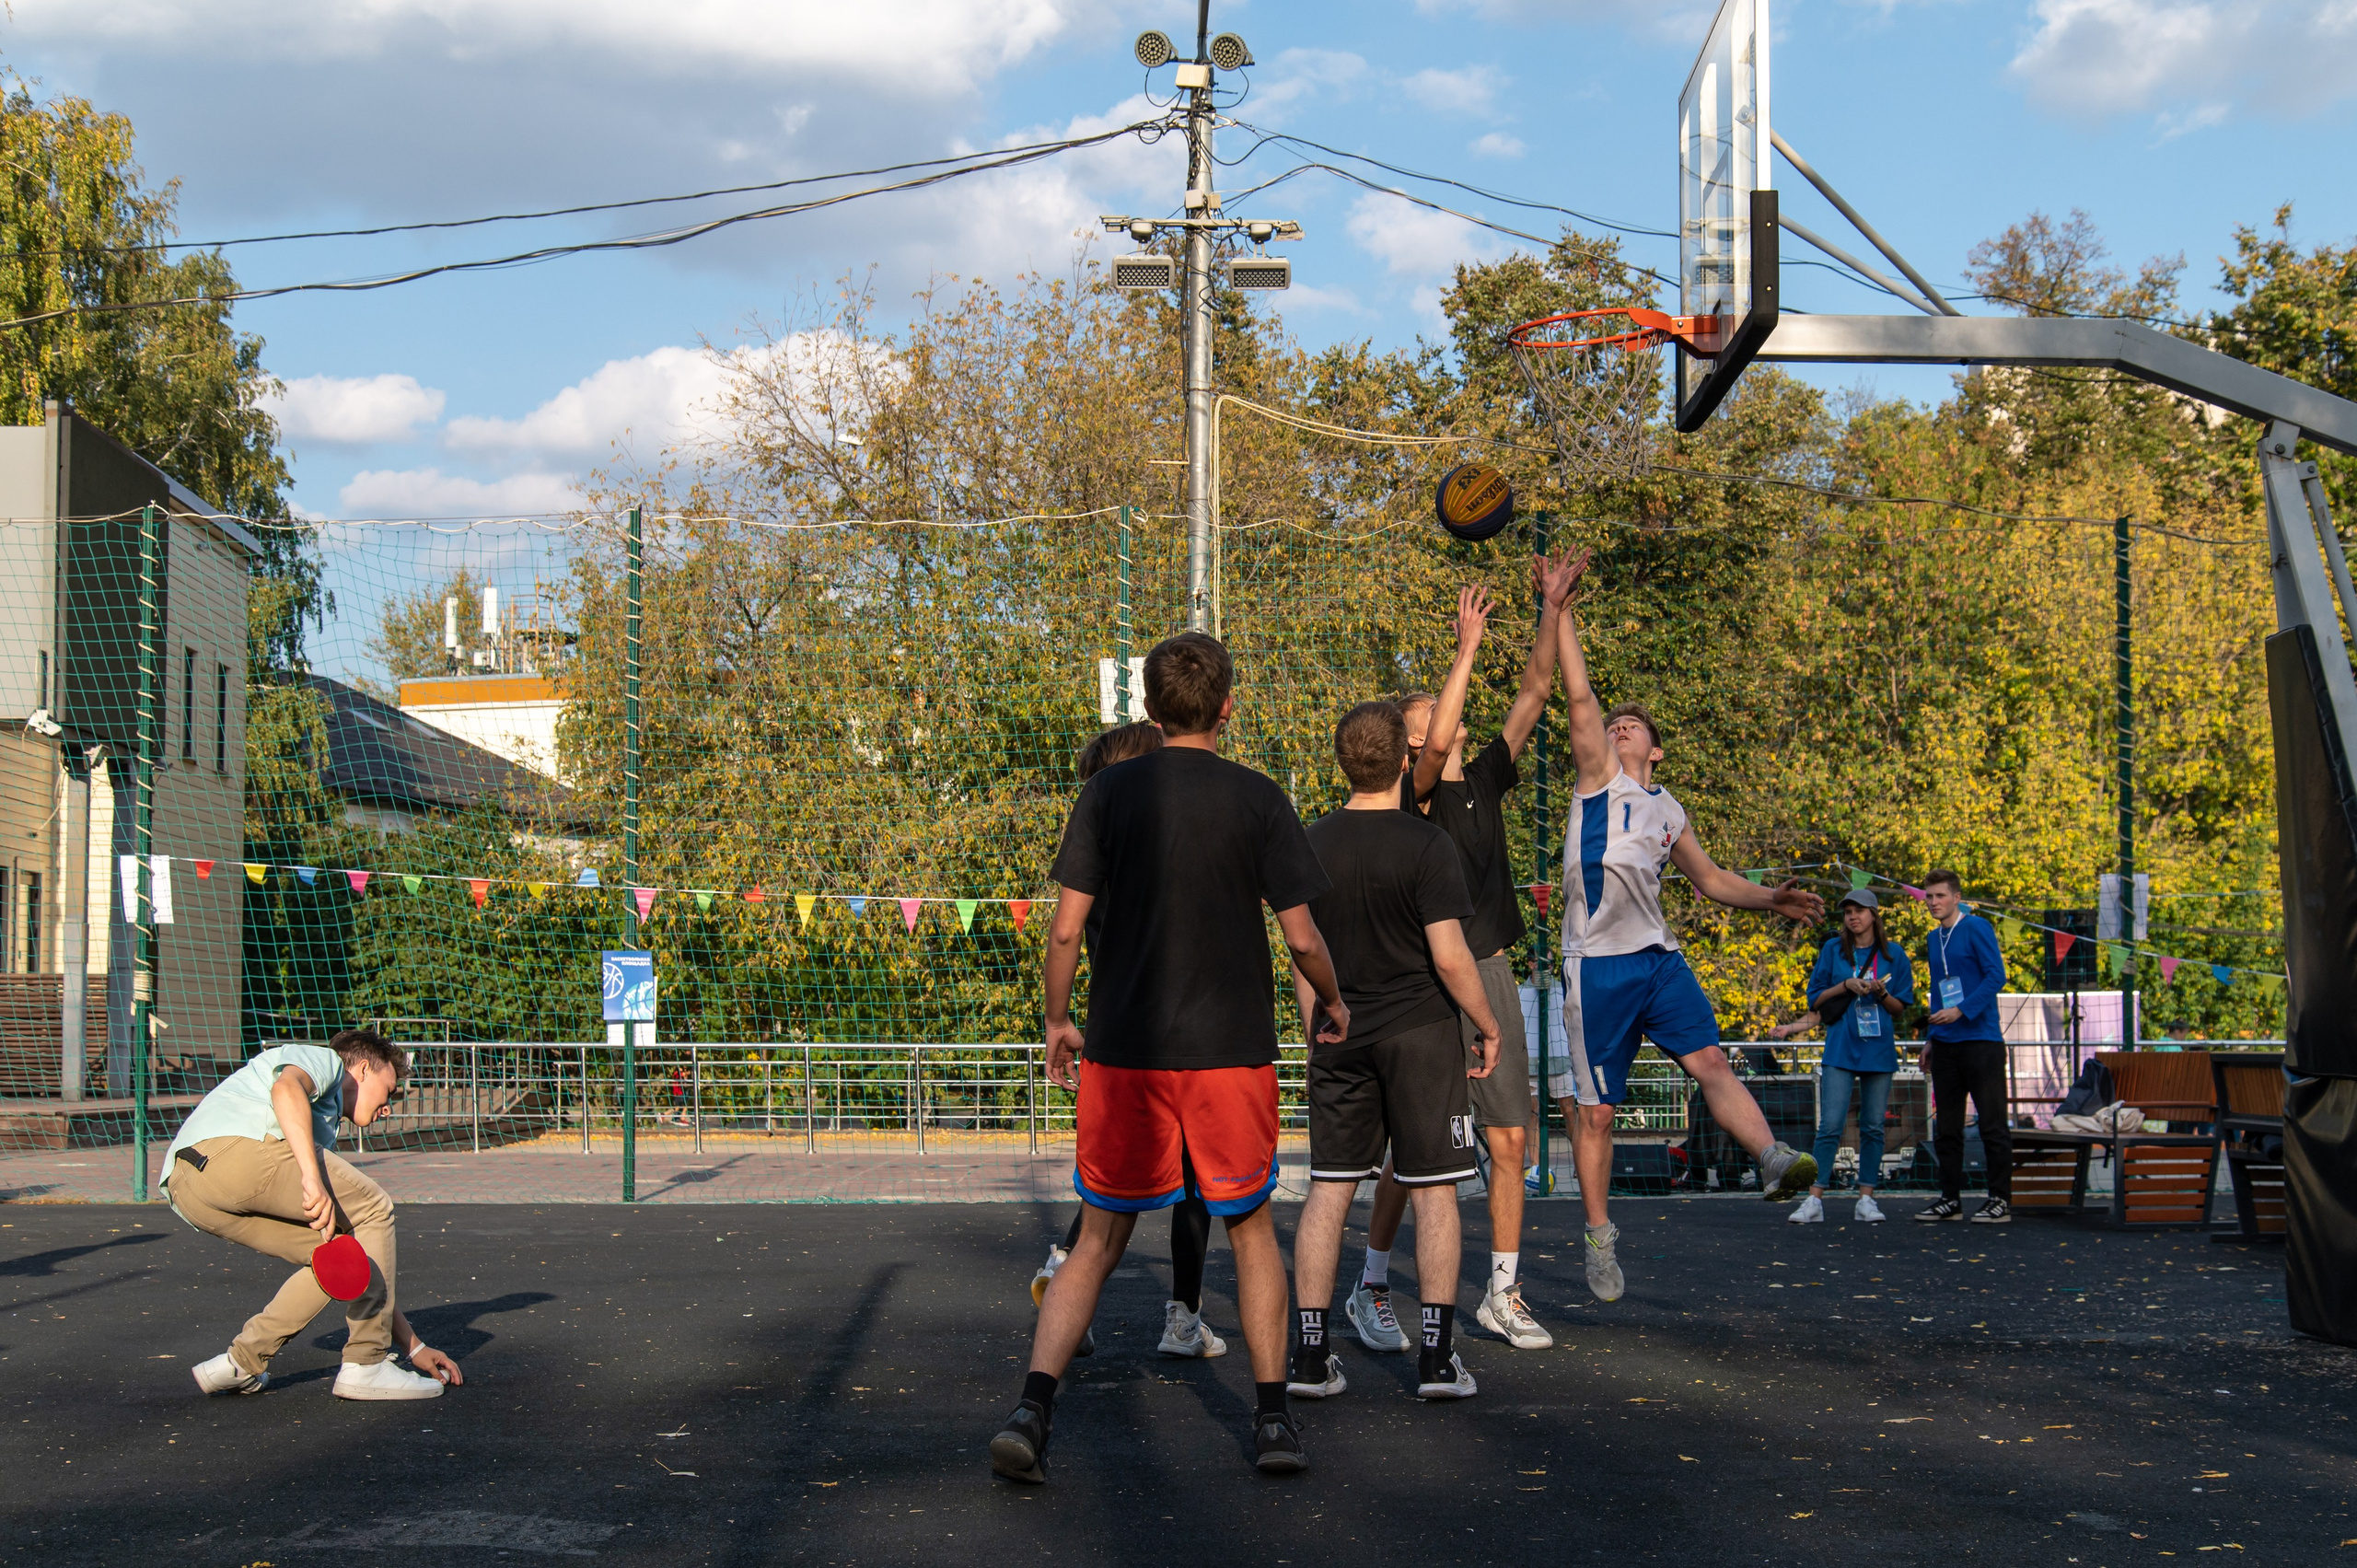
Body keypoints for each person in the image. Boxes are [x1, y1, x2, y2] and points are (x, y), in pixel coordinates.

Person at [990, 632, 1347, 1484]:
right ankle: (1273, 1420)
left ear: (1149, 708)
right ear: (1228, 706)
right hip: (1229, 1053)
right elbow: (1302, 938)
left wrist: (1056, 1019)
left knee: (1097, 1239)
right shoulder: (1259, 797)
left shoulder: (1107, 792)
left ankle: (1031, 1411)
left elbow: (1066, 929)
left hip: (1126, 1051)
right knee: (1251, 1232)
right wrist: (1333, 999)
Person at [1547, 549, 1826, 1303]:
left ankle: (1772, 1159)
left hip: (1656, 960)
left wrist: (1770, 898)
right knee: (1598, 1115)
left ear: (1656, 747)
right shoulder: (1597, 779)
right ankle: (1599, 1235)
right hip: (1596, 966)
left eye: (1632, 724)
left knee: (1710, 1061)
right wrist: (1560, 611)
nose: (1618, 726)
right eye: (1615, 723)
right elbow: (1578, 695)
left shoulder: (1668, 809)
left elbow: (1710, 879)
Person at [1349, 566, 1569, 1356]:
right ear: (1411, 742)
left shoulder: (1482, 782)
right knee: (1412, 1155)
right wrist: (1467, 648)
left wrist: (1551, 608)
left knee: (1510, 1142)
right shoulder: (1418, 791)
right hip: (1432, 982)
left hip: (1492, 972)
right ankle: (1372, 1282)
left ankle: (1501, 1292)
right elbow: (1439, 739)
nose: (1444, 719)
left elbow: (1536, 689)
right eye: (1428, 716)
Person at [1286, 701, 1504, 1405]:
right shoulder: (1426, 843)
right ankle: (1437, 1359)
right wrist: (1487, 1022)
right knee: (1435, 1190)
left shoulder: (1310, 843)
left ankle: (1310, 1356)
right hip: (1420, 1034)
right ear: (1405, 761)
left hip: (1340, 1032)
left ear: (1343, 761)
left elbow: (1302, 949)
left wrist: (1315, 1024)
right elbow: (1450, 955)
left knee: (1329, 1186)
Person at [1028, 720, 1224, 1360]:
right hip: (1186, 1038)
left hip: (1117, 1038)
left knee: (1112, 1186)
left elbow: (1066, 934)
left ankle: (1063, 1271)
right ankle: (1184, 1317)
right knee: (1195, 1181)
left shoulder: (1096, 857)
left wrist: (1057, 1019)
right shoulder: (1164, 852)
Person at [162, 1027, 463, 1400]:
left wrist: (415, 1347)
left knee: (339, 1257)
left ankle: (240, 1363)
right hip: (235, 1152)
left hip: (188, 1191)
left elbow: (369, 1267)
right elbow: (286, 1088)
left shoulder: (318, 1125)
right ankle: (367, 1363)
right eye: (389, 1090)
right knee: (375, 1207)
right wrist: (311, 1176)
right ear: (363, 1069)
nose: (388, 1106)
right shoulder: (328, 1062)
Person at [1788, 889, 1914, 1225]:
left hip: (1879, 1049)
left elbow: (1900, 1008)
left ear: (1874, 915)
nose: (1853, 917)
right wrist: (1846, 984)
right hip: (1841, 1048)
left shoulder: (1895, 955)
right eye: (1847, 912)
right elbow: (1815, 999)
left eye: (1859, 911)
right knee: (1830, 1125)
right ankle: (1814, 1199)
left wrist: (1881, 992)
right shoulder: (1833, 949)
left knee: (1873, 1127)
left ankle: (1866, 1199)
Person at [1913, 868, 2013, 1224]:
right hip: (1946, 1044)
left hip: (1981, 1041)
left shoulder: (1976, 927)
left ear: (1957, 898)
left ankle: (1999, 1199)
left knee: (1992, 1125)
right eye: (1929, 896)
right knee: (1947, 1128)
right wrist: (1931, 1037)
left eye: (1940, 895)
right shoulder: (1933, 938)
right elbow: (1938, 990)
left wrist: (1962, 1010)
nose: (1933, 902)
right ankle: (1950, 1199)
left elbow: (1996, 976)